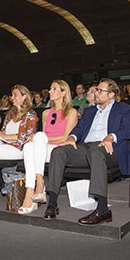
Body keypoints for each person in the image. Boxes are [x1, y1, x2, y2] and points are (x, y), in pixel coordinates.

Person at [43, 78, 130, 225]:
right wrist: (72, 137)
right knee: (59, 151)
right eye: (96, 90)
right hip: (86, 147)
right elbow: (79, 130)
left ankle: (102, 209)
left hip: (110, 149)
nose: (96, 93)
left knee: (96, 152)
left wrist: (111, 136)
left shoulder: (123, 109)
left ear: (111, 94)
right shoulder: (90, 110)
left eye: (100, 90)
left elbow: (128, 129)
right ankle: (52, 203)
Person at [19, 80, 78, 214]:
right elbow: (42, 140)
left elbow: (64, 137)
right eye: (50, 89)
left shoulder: (71, 112)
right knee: (28, 146)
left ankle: (38, 185)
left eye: (54, 89)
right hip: (44, 149)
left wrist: (40, 138)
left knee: (38, 137)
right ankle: (32, 190)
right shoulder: (46, 113)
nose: (50, 91)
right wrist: (39, 139)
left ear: (63, 93)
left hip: (59, 149)